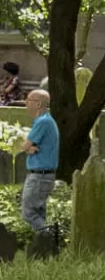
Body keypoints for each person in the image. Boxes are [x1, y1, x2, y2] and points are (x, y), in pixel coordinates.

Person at [20, 89, 58, 242]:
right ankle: (43, 247)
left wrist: (27, 148)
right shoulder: (46, 121)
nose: (26, 103)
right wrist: (29, 148)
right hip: (44, 175)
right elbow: (29, 147)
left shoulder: (43, 122)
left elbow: (25, 146)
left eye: (28, 100)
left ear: (38, 104)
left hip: (39, 175)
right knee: (39, 213)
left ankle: (50, 239)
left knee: (28, 213)